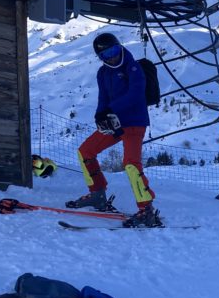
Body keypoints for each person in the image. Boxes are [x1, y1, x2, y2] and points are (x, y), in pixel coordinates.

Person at [66, 33, 162, 227]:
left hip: (134, 122)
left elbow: (135, 95)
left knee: (131, 164)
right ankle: (97, 194)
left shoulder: (133, 67)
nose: (112, 57)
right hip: (115, 121)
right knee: (85, 152)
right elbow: (103, 97)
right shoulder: (103, 73)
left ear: (120, 47)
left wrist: (110, 110)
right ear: (100, 57)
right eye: (106, 55)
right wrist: (100, 115)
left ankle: (146, 209)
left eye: (114, 51)